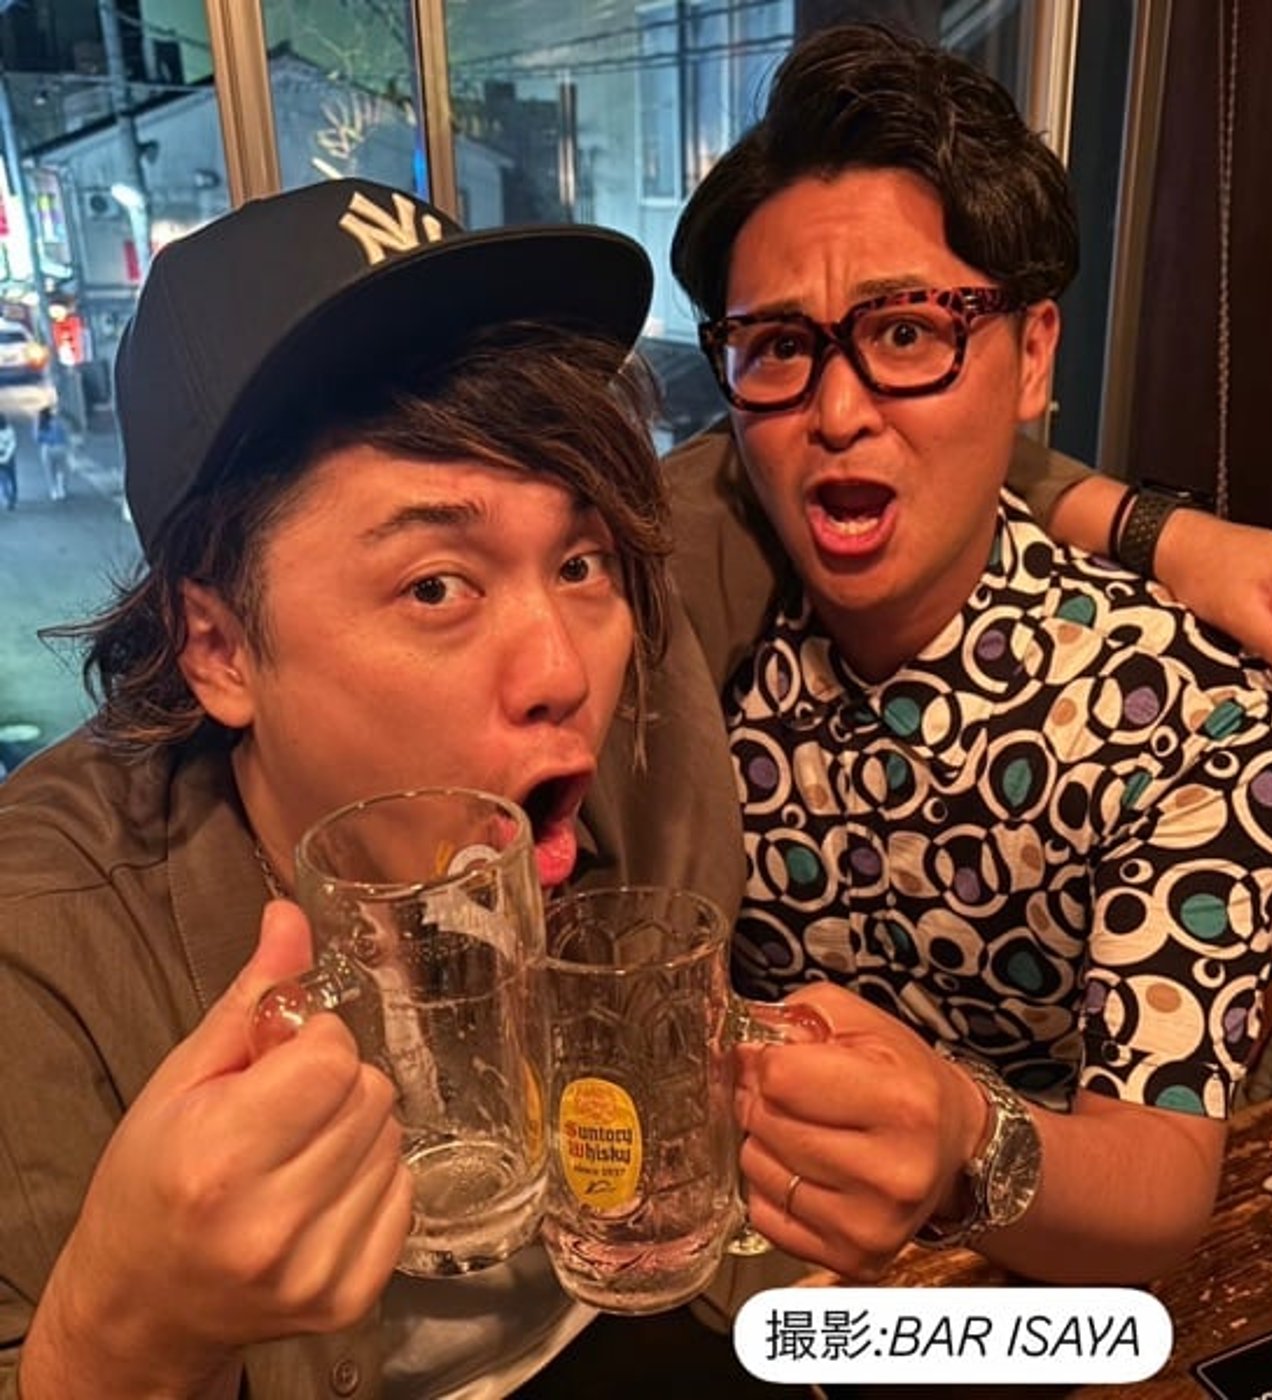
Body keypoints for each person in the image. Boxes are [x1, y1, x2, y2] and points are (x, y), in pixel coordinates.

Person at [0, 178, 741, 1400]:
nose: (562, 673)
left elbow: (828, 443)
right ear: (218, 646)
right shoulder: (46, 936)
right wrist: (121, 1329)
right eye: (437, 585)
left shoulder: (644, 721)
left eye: (579, 559)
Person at [666, 23, 1272, 1286]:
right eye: (778, 345)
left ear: (1031, 358)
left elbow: (1162, 1181)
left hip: (1022, 1292)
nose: (835, 412)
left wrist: (966, 1135)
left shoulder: (1185, 712)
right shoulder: (701, 630)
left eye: (907, 332)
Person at [33, 405, 70, 502]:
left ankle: (54, 491)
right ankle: (61, 490)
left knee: (50, 471)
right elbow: (65, 434)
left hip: (47, 448)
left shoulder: (40, 424)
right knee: (61, 470)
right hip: (61, 447)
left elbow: (37, 439)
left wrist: (36, 425)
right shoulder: (58, 422)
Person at [0, 411, 17, 511]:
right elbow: (13, 444)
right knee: (10, 478)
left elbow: (12, 444)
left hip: (5, 457)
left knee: (4, 480)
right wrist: (7, 457)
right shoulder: (10, 430)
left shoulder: (9, 431)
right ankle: (11, 497)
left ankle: (8, 498)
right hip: (9, 458)